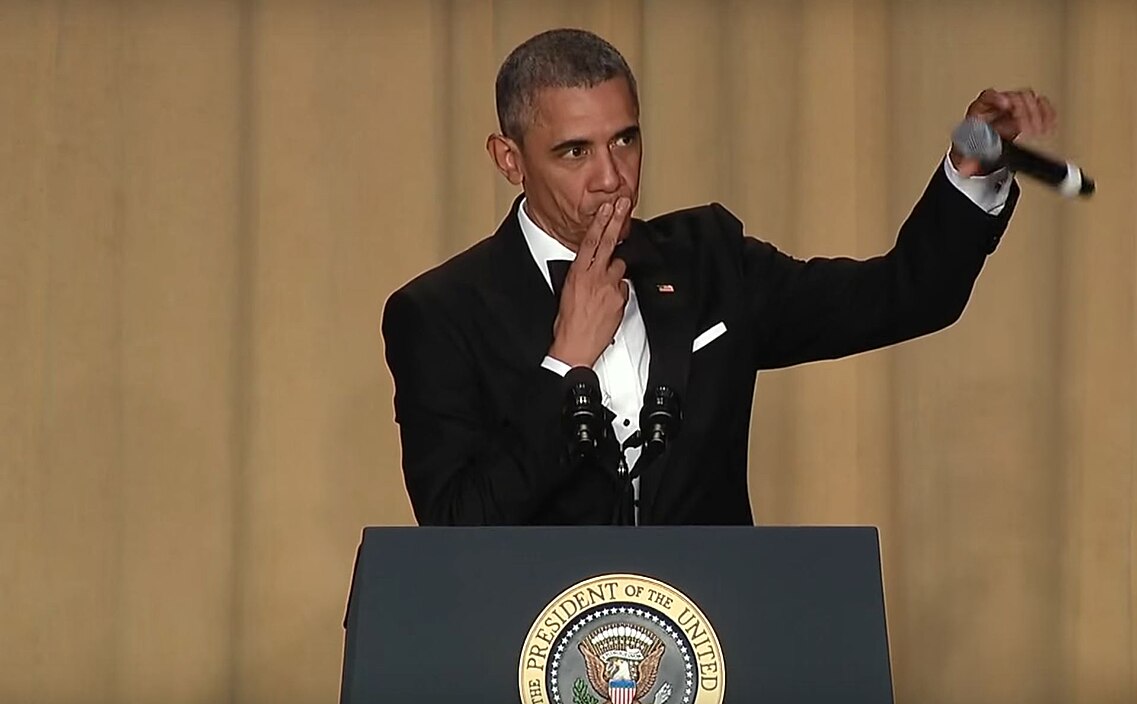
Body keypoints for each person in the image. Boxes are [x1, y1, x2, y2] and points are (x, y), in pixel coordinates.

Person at [381, 28, 1056, 526]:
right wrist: (566, 366)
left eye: (626, 139)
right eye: (574, 151)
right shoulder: (440, 313)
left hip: (714, 648)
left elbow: (904, 296)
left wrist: (972, 170)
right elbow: (454, 524)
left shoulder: (711, 263)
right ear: (509, 158)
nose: (612, 176)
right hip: (534, 660)